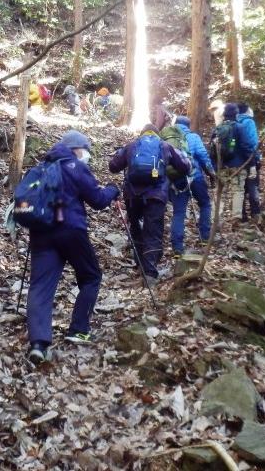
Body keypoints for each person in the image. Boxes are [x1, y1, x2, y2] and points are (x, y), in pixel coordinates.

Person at [25, 131, 121, 364]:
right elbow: (98, 200)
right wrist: (112, 190)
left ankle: (38, 343)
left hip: (41, 233)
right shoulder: (74, 166)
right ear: (77, 149)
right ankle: (78, 329)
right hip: (71, 231)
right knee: (91, 277)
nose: (87, 155)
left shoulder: (40, 168)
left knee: (40, 287)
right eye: (86, 150)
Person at [109, 124, 190, 286]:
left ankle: (139, 262)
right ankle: (150, 273)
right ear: (157, 134)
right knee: (153, 230)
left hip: (132, 195)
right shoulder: (164, 146)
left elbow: (113, 167)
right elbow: (185, 166)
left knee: (136, 227)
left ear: (142, 133)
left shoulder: (132, 145)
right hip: (156, 195)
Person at [169, 116, 216, 254]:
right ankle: (205, 237)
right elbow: (203, 156)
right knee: (205, 204)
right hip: (195, 177)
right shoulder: (193, 137)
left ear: (175, 124)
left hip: (176, 179)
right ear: (188, 126)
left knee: (179, 212)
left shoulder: (167, 137)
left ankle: (177, 247)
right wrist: (212, 173)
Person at [236, 103, 262, 222]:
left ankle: (242, 216)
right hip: (249, 160)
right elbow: (253, 142)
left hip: (236, 162)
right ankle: (255, 213)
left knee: (240, 188)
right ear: (247, 111)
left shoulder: (233, 122)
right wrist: (256, 159)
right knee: (252, 186)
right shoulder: (249, 122)